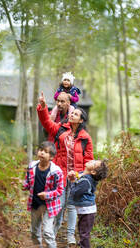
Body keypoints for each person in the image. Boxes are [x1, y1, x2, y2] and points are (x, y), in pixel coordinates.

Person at [37, 92, 94, 247]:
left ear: (81, 120)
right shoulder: (61, 129)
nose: (72, 115)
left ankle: (70, 236)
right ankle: (52, 233)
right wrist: (42, 108)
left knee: (72, 206)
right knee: (59, 204)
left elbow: (89, 160)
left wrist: (82, 175)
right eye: (72, 113)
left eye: (75, 114)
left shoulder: (85, 138)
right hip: (60, 174)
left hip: (76, 177)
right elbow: (47, 123)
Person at [22, 141, 64, 248]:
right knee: (34, 231)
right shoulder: (32, 166)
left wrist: (47, 195)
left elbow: (60, 190)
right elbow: (28, 182)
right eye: (40, 150)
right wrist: (23, 185)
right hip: (35, 203)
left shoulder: (56, 172)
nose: (41, 153)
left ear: (51, 157)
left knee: (47, 232)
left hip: (50, 206)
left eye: (45, 152)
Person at [68, 160, 108, 248]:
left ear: (93, 172)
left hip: (87, 211)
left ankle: (84, 245)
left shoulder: (86, 181)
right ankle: (83, 244)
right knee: (82, 231)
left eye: (94, 163)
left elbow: (75, 193)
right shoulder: (84, 176)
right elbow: (80, 176)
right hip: (84, 211)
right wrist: (75, 176)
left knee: (84, 234)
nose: (91, 160)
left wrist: (72, 182)